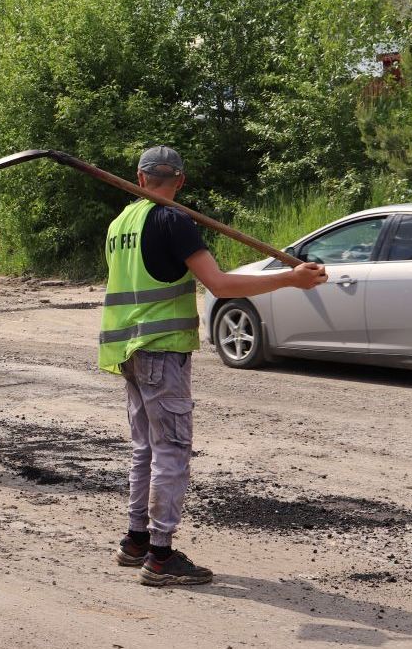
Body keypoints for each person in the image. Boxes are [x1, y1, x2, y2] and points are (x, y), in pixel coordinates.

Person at [103, 146, 327, 586]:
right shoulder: (172, 220)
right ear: (181, 180)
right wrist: (291, 278)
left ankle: (136, 540)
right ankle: (161, 557)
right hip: (161, 348)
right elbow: (220, 283)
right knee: (171, 450)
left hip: (126, 349)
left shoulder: (120, 223)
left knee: (146, 448)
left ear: (140, 177)